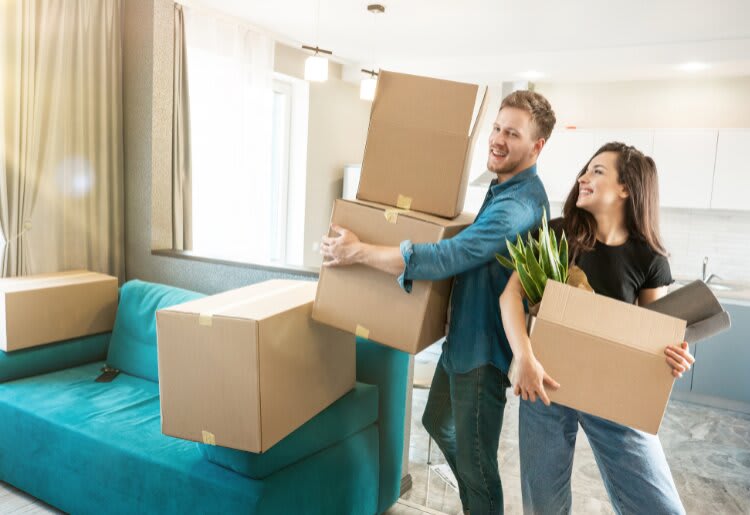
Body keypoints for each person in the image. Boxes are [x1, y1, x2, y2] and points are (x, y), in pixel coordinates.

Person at [321, 90, 555, 515]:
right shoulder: (502, 189)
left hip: (482, 355)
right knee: (438, 424)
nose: (498, 139)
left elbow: (452, 256)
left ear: (537, 146)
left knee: (478, 469)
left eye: (513, 134)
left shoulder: (519, 204)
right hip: (461, 343)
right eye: (497, 128)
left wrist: (358, 252)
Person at [499, 142, 694, 515]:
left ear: (626, 189)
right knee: (544, 507)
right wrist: (524, 358)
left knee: (662, 508)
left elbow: (655, 334)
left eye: (597, 171)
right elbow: (510, 297)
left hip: (615, 393)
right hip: (545, 384)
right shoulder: (555, 234)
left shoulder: (649, 257)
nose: (582, 177)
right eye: (585, 170)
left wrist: (674, 355)